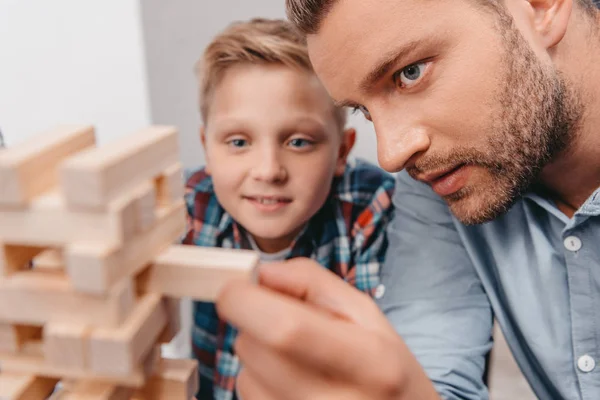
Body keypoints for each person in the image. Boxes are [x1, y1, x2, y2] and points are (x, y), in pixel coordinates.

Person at [214, 0, 600, 399]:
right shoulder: (444, 177)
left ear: (541, 7)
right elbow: (433, 375)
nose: (391, 155)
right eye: (364, 110)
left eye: (410, 74)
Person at [183, 17, 395, 399]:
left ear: (341, 151)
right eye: (237, 142)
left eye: (298, 142)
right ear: (206, 148)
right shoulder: (193, 201)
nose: (268, 171)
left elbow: (391, 353)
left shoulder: (370, 210)